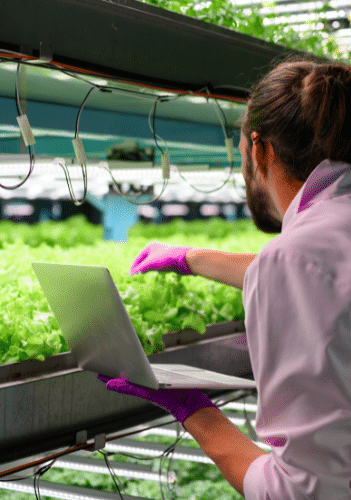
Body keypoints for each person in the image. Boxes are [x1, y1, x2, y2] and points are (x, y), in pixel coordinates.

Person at [98, 55, 351, 499]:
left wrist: (193, 410)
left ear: (260, 149)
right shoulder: (328, 236)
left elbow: (304, 492)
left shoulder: (297, 258)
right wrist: (193, 258)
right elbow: (332, 276)